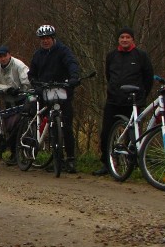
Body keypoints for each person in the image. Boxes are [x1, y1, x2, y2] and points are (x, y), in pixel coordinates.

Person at [94, 27, 155, 176]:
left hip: (134, 101)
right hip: (114, 100)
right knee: (106, 133)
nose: (125, 40)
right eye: (122, 37)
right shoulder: (111, 56)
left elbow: (148, 77)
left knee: (133, 134)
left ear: (133, 39)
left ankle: (131, 163)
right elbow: (108, 75)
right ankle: (107, 164)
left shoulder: (141, 56)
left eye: (128, 37)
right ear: (118, 40)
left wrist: (142, 95)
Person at [27, 24, 81, 173]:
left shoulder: (63, 51)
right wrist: (35, 84)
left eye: (48, 38)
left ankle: (70, 159)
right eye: (42, 39)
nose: (45, 41)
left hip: (63, 91)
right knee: (51, 127)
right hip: (46, 92)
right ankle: (57, 158)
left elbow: (72, 64)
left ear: (53, 38)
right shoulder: (38, 55)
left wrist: (74, 78)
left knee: (67, 127)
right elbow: (32, 74)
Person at [0, 45, 31, 164]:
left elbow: (27, 82)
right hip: (7, 98)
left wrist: (20, 90)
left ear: (9, 54)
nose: (2, 59)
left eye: (4, 55)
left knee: (21, 126)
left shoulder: (19, 65)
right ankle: (13, 153)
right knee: (10, 127)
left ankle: (20, 153)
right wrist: (7, 88)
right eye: (0, 56)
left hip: (21, 98)